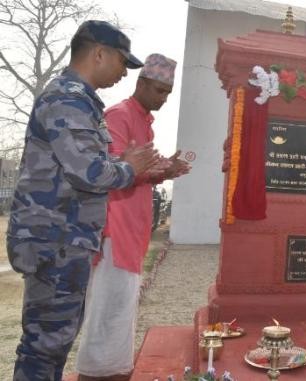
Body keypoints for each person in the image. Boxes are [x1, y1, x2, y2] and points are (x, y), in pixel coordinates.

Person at [6, 20, 160, 381]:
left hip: (64, 238)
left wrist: (128, 166)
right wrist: (129, 167)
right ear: (99, 54)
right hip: (54, 239)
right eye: (123, 62)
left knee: (52, 344)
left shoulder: (81, 101)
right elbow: (89, 172)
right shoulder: (67, 98)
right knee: (43, 346)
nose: (124, 71)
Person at [75, 53, 190, 381]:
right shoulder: (119, 116)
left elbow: (138, 171)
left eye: (167, 93)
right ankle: (97, 373)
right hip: (115, 228)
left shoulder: (144, 121)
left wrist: (165, 169)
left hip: (134, 228)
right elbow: (109, 172)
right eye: (158, 90)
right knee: (108, 310)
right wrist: (147, 168)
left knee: (122, 309)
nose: (163, 99)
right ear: (141, 83)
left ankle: (117, 370)